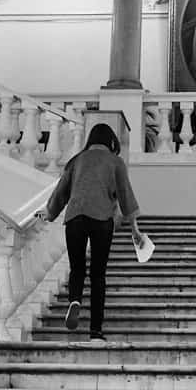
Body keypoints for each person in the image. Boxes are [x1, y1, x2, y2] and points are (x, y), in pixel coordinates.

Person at [45, 123, 142, 342]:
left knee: (77, 268)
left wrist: (48, 213)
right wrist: (134, 229)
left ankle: (75, 300)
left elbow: (61, 191)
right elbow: (126, 195)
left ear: (91, 139)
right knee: (98, 275)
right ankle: (95, 332)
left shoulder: (77, 160)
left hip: (75, 217)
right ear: (111, 142)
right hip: (101, 220)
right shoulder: (115, 162)